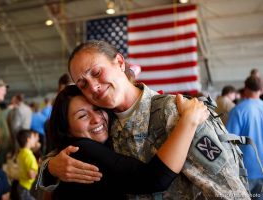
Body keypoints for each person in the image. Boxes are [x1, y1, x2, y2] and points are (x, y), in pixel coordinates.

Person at [38, 40, 249, 199]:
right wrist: (50, 167)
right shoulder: (105, 122)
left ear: (119, 62)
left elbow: (231, 192)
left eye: (96, 72)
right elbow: (62, 155)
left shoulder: (176, 112)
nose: (93, 86)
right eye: (83, 84)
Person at [38, 85, 208, 199]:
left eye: (98, 109)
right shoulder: (81, 149)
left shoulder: (110, 137)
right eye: (82, 115)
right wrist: (189, 121)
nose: (96, 119)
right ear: (66, 128)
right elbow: (152, 179)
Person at [227, 76, 263, 200]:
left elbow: (229, 142)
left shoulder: (238, 111)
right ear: (261, 90)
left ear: (245, 88)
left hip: (246, 171)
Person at [16, 129, 39, 200]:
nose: (35, 140)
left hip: (21, 184)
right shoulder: (29, 155)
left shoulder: (21, 153)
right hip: (27, 187)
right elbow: (31, 175)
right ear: (28, 140)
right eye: (33, 137)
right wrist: (39, 173)